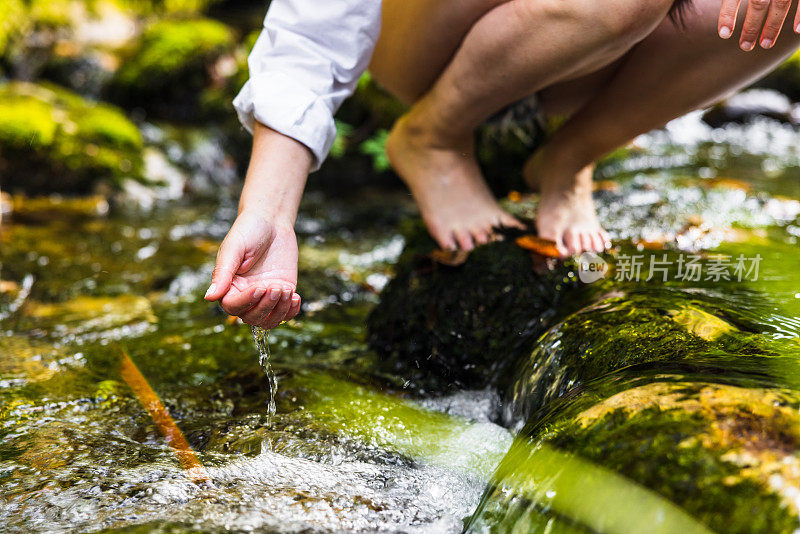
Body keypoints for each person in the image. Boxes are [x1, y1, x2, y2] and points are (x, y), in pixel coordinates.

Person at [205, 0, 800, 329]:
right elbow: (312, 38)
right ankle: (433, 138)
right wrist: (270, 215)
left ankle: (569, 157)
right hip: (436, 37)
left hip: (590, 47)